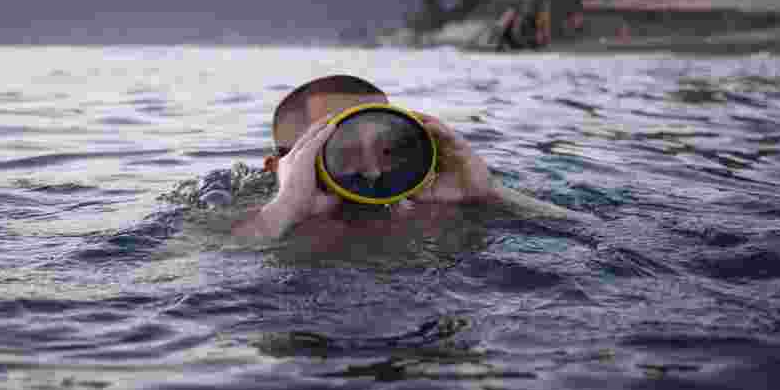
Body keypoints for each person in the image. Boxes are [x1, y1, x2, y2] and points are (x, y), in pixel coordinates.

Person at [230, 75, 584, 240]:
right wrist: (283, 211)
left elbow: (589, 234)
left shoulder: (426, 212)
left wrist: (490, 194)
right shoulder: (254, 220)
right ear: (279, 168)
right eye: (342, 152)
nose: (373, 172)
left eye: (387, 150)